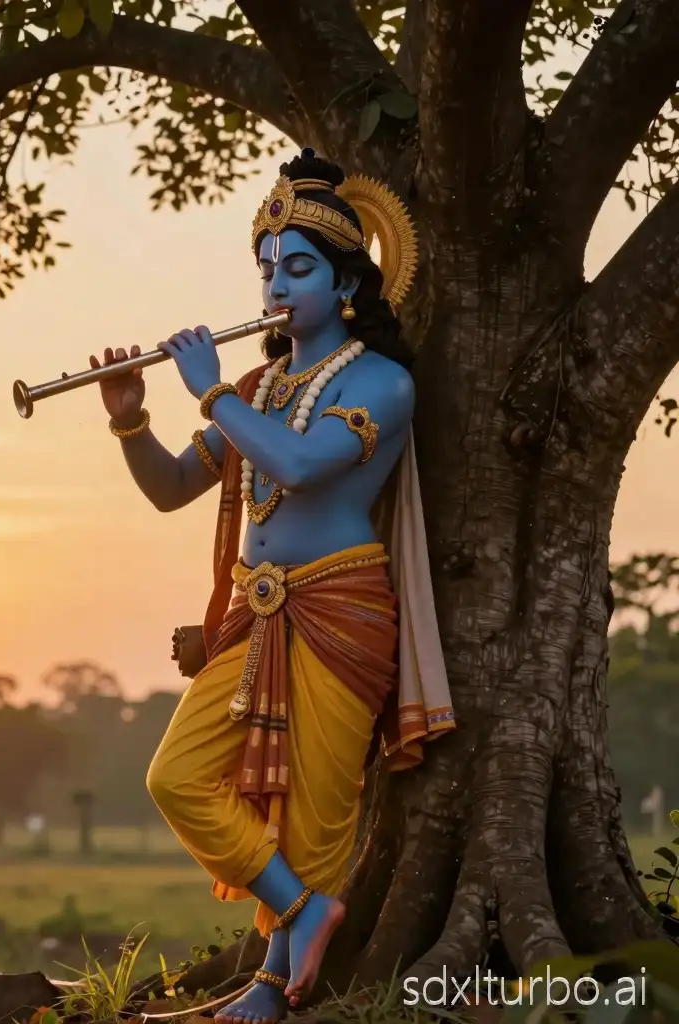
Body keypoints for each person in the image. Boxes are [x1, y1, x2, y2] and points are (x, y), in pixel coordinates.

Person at [88, 148, 455, 1024]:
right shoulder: (263, 384)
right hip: (257, 613)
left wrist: (212, 394)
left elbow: (298, 461)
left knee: (313, 811)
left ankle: (272, 984)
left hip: (341, 606)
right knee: (178, 779)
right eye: (266, 270)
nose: (273, 289)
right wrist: (130, 418)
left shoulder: (380, 382)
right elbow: (176, 486)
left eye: (296, 269)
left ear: (347, 285)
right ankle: (303, 909)